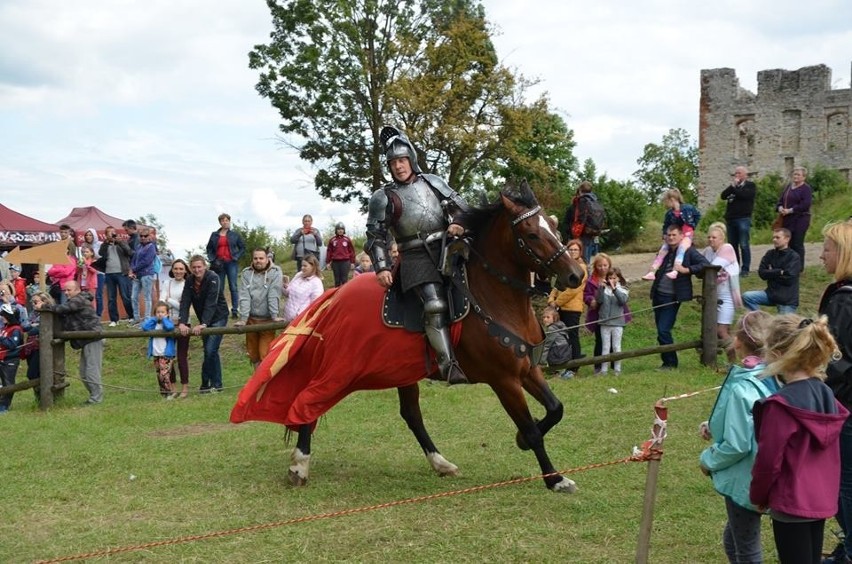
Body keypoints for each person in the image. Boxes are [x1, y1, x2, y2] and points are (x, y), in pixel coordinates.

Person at [365, 125, 471, 385]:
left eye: (402, 160)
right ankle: (447, 365)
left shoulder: (432, 182)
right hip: (414, 257)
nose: (398, 166)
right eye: (393, 163)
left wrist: (458, 222)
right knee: (434, 304)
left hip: (446, 246)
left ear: (411, 159)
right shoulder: (383, 197)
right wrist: (382, 267)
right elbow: (376, 236)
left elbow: (462, 207)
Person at [750, 314, 849, 564]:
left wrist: (758, 495)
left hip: (790, 501)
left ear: (776, 352)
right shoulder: (826, 393)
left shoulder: (780, 406)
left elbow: (768, 461)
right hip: (820, 498)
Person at [698, 310, 778, 564]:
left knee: (745, 547)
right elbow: (751, 420)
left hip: (748, 476)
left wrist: (708, 459)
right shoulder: (778, 375)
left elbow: (738, 443)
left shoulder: (744, 386)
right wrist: (715, 425)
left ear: (738, 341)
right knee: (735, 539)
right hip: (770, 469)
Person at [818, 221, 852, 564]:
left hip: (847, 407)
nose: (821, 255)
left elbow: (837, 359)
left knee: (845, 484)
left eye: (827, 248)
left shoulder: (844, 301)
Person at [650, 224, 710, 370]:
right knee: (660, 330)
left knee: (664, 330)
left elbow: (705, 264)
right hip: (659, 294)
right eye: (668, 235)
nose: (671, 237)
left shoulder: (689, 251)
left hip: (673, 297)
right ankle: (667, 361)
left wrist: (687, 270)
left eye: (674, 235)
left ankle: (671, 362)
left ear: (681, 236)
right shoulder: (664, 250)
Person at [40, 281, 104, 405]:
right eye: (65, 290)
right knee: (83, 372)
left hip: (93, 338)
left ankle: (96, 399)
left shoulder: (79, 300)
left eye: (69, 290)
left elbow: (64, 308)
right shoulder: (75, 301)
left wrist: (44, 307)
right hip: (86, 340)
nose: (66, 293)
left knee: (91, 371)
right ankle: (94, 397)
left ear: (77, 290)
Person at [178, 255, 229, 393]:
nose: (197, 270)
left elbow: (211, 302)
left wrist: (204, 324)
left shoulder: (213, 278)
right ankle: (216, 385)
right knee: (211, 351)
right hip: (204, 320)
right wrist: (182, 322)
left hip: (218, 317)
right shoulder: (189, 280)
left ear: (205, 266)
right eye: (194, 267)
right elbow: (185, 301)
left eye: (199, 266)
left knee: (210, 350)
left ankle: (206, 384)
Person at [234, 248, 283, 368]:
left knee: (264, 355)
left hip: (267, 320)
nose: (258, 261)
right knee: (253, 355)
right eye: (255, 258)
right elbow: (244, 296)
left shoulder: (275, 272)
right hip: (251, 320)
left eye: (261, 258)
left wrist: (274, 315)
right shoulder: (246, 273)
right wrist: (243, 319)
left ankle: (265, 385)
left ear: (267, 259)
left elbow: (274, 293)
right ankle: (258, 385)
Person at [702, 222, 744, 362]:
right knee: (711, 329)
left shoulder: (727, 248)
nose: (710, 240)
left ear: (722, 239)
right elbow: (700, 265)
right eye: (709, 237)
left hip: (727, 296)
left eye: (714, 237)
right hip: (712, 295)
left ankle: (732, 361)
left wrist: (698, 268)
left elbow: (712, 267)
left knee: (721, 330)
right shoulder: (708, 251)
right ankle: (712, 359)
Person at [642, 188, 702, 281]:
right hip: (676, 234)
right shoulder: (669, 213)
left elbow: (697, 215)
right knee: (663, 250)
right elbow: (666, 225)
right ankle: (652, 272)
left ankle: (675, 270)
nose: (665, 204)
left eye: (666, 201)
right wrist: (665, 234)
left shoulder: (688, 208)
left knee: (681, 248)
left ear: (672, 199)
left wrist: (692, 226)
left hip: (687, 234)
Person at [548, 239, 587, 378]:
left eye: (575, 250)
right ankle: (562, 364)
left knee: (572, 336)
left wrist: (557, 302)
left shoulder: (581, 268)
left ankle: (574, 367)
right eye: (570, 249)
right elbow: (557, 284)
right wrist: (551, 299)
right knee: (561, 337)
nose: (572, 252)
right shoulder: (565, 265)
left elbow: (573, 290)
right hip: (560, 307)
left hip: (572, 308)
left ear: (580, 252)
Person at [742, 228, 801, 314]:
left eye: (777, 237)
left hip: (787, 300)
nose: (774, 240)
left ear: (787, 239)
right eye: (773, 237)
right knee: (747, 296)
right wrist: (779, 272)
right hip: (770, 294)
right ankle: (759, 320)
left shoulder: (794, 257)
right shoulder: (770, 254)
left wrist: (771, 272)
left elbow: (789, 278)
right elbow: (761, 273)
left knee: (783, 327)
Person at [205, 213, 246, 319]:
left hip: (231, 262)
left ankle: (235, 310)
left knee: (233, 286)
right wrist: (212, 259)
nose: (225, 222)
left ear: (229, 221)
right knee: (220, 287)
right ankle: (221, 310)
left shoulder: (235, 235)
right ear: (220, 222)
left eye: (227, 220)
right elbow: (209, 248)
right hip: (219, 263)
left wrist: (236, 257)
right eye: (223, 220)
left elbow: (242, 247)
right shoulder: (214, 235)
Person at [160, 258, 190, 398]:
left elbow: (184, 306)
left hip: (184, 323)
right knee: (168, 355)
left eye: (181, 269)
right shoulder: (167, 283)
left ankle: (185, 387)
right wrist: (171, 302)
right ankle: (172, 387)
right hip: (168, 323)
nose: (178, 271)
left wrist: (169, 300)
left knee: (182, 356)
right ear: (172, 270)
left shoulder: (188, 284)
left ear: (185, 270)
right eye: (175, 268)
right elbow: (161, 303)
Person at [720, 166, 757, 277]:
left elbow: (744, 196)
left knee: (744, 244)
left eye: (739, 173)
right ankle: (734, 267)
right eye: (735, 173)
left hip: (743, 219)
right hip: (731, 219)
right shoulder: (733, 187)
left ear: (745, 175)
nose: (737, 175)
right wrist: (732, 186)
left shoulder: (750, 186)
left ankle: (745, 269)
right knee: (732, 245)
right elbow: (723, 196)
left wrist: (735, 188)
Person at [777, 166, 812, 269]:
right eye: (794, 174)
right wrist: (780, 208)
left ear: (804, 177)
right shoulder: (788, 187)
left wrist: (791, 210)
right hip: (787, 220)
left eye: (798, 175)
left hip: (800, 219)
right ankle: (789, 265)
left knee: (797, 243)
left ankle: (799, 267)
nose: (795, 176)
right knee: (787, 243)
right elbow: (780, 200)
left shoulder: (806, 189)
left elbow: (806, 204)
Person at [99, 225, 135, 326]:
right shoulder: (104, 245)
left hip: (122, 272)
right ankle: (114, 320)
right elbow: (101, 254)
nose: (112, 234)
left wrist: (120, 242)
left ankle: (131, 316)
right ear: (106, 235)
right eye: (109, 233)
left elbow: (130, 252)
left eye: (113, 232)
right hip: (109, 273)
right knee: (111, 298)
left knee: (125, 296)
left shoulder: (121, 243)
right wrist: (106, 243)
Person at [596, 267, 629, 375]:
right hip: (605, 322)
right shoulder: (604, 289)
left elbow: (622, 301)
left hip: (617, 323)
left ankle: (617, 369)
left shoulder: (623, 289)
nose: (611, 280)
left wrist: (615, 289)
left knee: (616, 346)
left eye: (614, 278)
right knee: (605, 347)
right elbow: (599, 300)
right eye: (609, 278)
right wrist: (601, 288)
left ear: (618, 278)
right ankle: (604, 370)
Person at [141, 301, 177, 399]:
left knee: (164, 374)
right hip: (156, 353)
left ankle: (169, 393)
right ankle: (164, 394)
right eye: (158, 312)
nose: (160, 314)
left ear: (167, 313)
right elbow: (144, 327)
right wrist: (154, 319)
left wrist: (164, 319)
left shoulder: (168, 323)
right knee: (159, 375)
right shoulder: (154, 324)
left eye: (162, 312)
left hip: (166, 354)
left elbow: (170, 327)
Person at [562, 181, 604, 264]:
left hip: (577, 236)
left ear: (580, 190)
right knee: (586, 261)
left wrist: (568, 234)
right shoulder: (595, 201)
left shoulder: (578, 202)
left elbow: (568, 220)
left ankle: (580, 275)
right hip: (590, 234)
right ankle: (586, 274)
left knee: (575, 261)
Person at [584, 253, 612, 374]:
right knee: (600, 340)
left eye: (605, 265)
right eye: (600, 266)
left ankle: (612, 364)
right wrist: (591, 301)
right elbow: (586, 295)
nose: (603, 268)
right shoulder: (591, 280)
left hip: (612, 314)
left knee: (613, 340)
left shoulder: (614, 277)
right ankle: (598, 366)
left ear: (609, 265)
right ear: (596, 266)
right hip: (598, 315)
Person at [282, 254, 324, 323]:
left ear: (313, 266)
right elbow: (288, 293)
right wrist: (285, 286)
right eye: (302, 265)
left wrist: (298, 316)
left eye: (305, 266)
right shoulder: (299, 275)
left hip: (300, 321)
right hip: (287, 318)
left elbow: (315, 305)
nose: (302, 268)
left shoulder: (317, 283)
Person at [128, 227, 157, 324]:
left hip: (147, 274)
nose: (143, 238)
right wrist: (131, 269)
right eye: (141, 236)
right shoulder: (139, 246)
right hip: (137, 274)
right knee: (133, 296)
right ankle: (136, 318)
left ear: (149, 236)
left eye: (145, 236)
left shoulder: (151, 247)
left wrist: (134, 269)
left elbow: (147, 261)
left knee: (146, 297)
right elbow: (134, 259)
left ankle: (147, 318)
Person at [0, 303, 25, 413]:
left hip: (10, 360)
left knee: (8, 383)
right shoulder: (5, 328)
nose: (2, 317)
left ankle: (4, 406)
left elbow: (12, 344)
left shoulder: (16, 329)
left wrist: (0, 338)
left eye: (4, 315)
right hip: (2, 359)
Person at [539, 306, 572, 379]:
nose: (545, 319)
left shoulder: (551, 329)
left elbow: (547, 346)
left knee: (545, 349)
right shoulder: (560, 325)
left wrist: (541, 361)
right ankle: (560, 373)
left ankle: (557, 373)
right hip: (566, 352)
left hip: (559, 354)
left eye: (548, 317)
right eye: (544, 317)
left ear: (554, 318)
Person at [325, 222, 356, 287]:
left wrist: (352, 262)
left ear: (344, 230)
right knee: (337, 280)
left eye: (342, 229)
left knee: (344, 279)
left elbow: (352, 251)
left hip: (345, 262)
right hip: (335, 262)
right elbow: (329, 251)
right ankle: (336, 294)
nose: (340, 230)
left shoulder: (347, 240)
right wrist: (327, 262)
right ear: (336, 230)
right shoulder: (332, 240)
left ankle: (344, 295)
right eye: (338, 229)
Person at [83, 228, 105, 317]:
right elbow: (84, 259)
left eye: (90, 235)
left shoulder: (100, 244)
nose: (88, 237)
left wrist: (93, 257)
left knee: (98, 295)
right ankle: (89, 315)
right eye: (87, 235)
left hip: (99, 273)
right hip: (87, 274)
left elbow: (102, 257)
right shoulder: (84, 245)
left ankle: (98, 315)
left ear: (94, 235)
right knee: (88, 296)